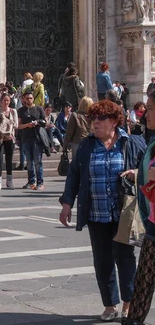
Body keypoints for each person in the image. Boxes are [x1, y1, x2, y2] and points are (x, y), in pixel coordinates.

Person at [60, 100, 145, 322]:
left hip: (124, 213)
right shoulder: (87, 146)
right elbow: (74, 175)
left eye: (100, 119)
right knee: (102, 260)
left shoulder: (131, 143)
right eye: (93, 119)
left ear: (114, 121)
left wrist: (136, 171)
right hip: (97, 213)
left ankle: (128, 302)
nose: (95, 123)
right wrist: (67, 202)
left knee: (125, 258)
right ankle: (109, 304)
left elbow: (149, 167)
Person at [124, 91, 155, 325]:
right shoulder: (153, 140)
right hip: (153, 220)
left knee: (145, 277)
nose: (145, 114)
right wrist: (138, 173)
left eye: (151, 109)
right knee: (144, 278)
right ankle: (134, 320)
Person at [18, 91, 46, 190]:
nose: (29, 100)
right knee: (29, 162)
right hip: (26, 139)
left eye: (30, 98)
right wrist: (27, 125)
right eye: (27, 98)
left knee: (38, 161)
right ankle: (31, 181)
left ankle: (40, 182)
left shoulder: (39, 109)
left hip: (37, 138)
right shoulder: (21, 110)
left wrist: (37, 122)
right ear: (24, 99)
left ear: (33, 98)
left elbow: (44, 122)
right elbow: (18, 125)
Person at [0, 93, 18, 191]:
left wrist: (6, 122)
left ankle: (9, 180)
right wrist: (1, 119)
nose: (6, 102)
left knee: (9, 159)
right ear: (1, 101)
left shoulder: (13, 111)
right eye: (5, 100)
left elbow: (16, 124)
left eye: (8, 100)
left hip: (9, 137)